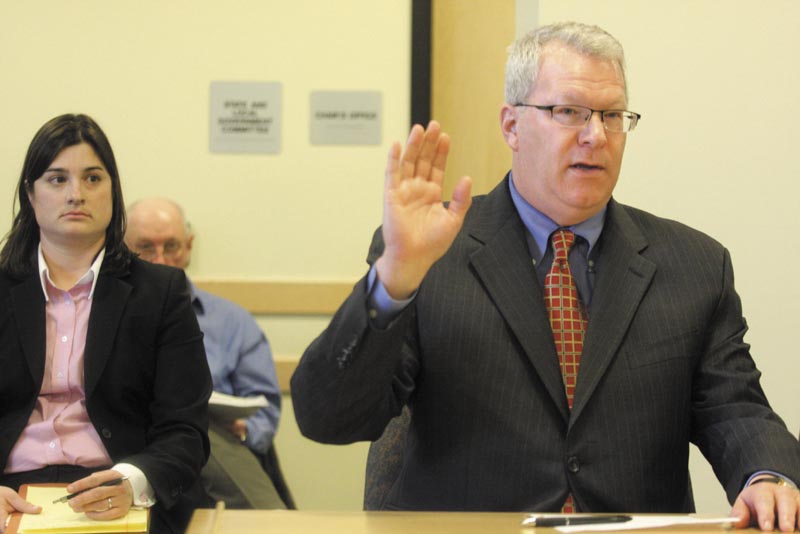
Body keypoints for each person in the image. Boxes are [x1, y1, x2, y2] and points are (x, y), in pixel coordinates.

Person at [291, 21, 800, 532]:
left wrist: (768, 475)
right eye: (569, 112)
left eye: (612, 115)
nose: (596, 135)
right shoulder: (432, 254)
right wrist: (394, 280)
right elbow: (328, 416)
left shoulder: (693, 264)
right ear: (512, 126)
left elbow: (736, 408)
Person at [0, 114, 213, 533]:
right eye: (57, 179)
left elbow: (185, 429)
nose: (76, 194)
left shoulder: (162, 292)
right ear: (30, 194)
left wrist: (133, 482)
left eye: (92, 178)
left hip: (120, 490)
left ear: (113, 191)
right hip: (10, 495)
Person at [125, 197, 286, 510]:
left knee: (197, 424)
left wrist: (243, 430)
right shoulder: (106, 314)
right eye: (145, 247)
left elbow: (264, 410)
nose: (160, 259)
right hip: (134, 448)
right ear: (123, 248)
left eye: (171, 246)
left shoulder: (231, 321)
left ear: (189, 246)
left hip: (212, 452)